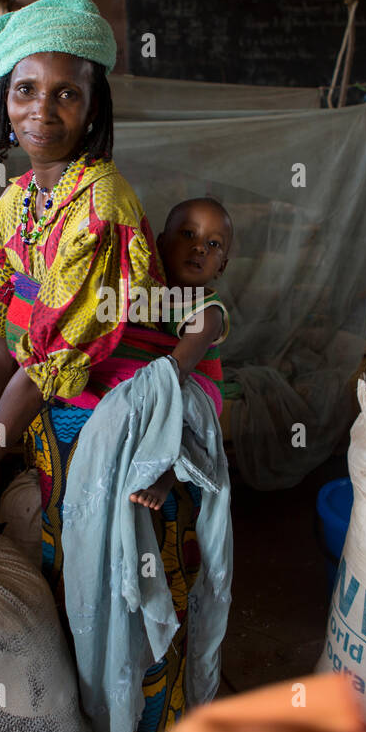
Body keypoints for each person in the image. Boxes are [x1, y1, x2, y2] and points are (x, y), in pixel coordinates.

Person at [0, 0, 209, 732]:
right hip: (61, 422)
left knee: (130, 597)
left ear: (93, 108)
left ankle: (149, 727)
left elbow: (45, 366)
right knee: (69, 590)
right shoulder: (14, 207)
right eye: (24, 90)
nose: (41, 111)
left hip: (129, 421)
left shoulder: (100, 202)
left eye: (66, 93)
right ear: (4, 101)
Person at [129, 198, 232, 511]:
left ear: (222, 266)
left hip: (195, 387)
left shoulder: (208, 312)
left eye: (213, 244)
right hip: (163, 374)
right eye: (188, 235)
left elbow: (177, 369)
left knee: (183, 412)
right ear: (161, 243)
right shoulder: (147, 291)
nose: (199, 248)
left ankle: (167, 473)